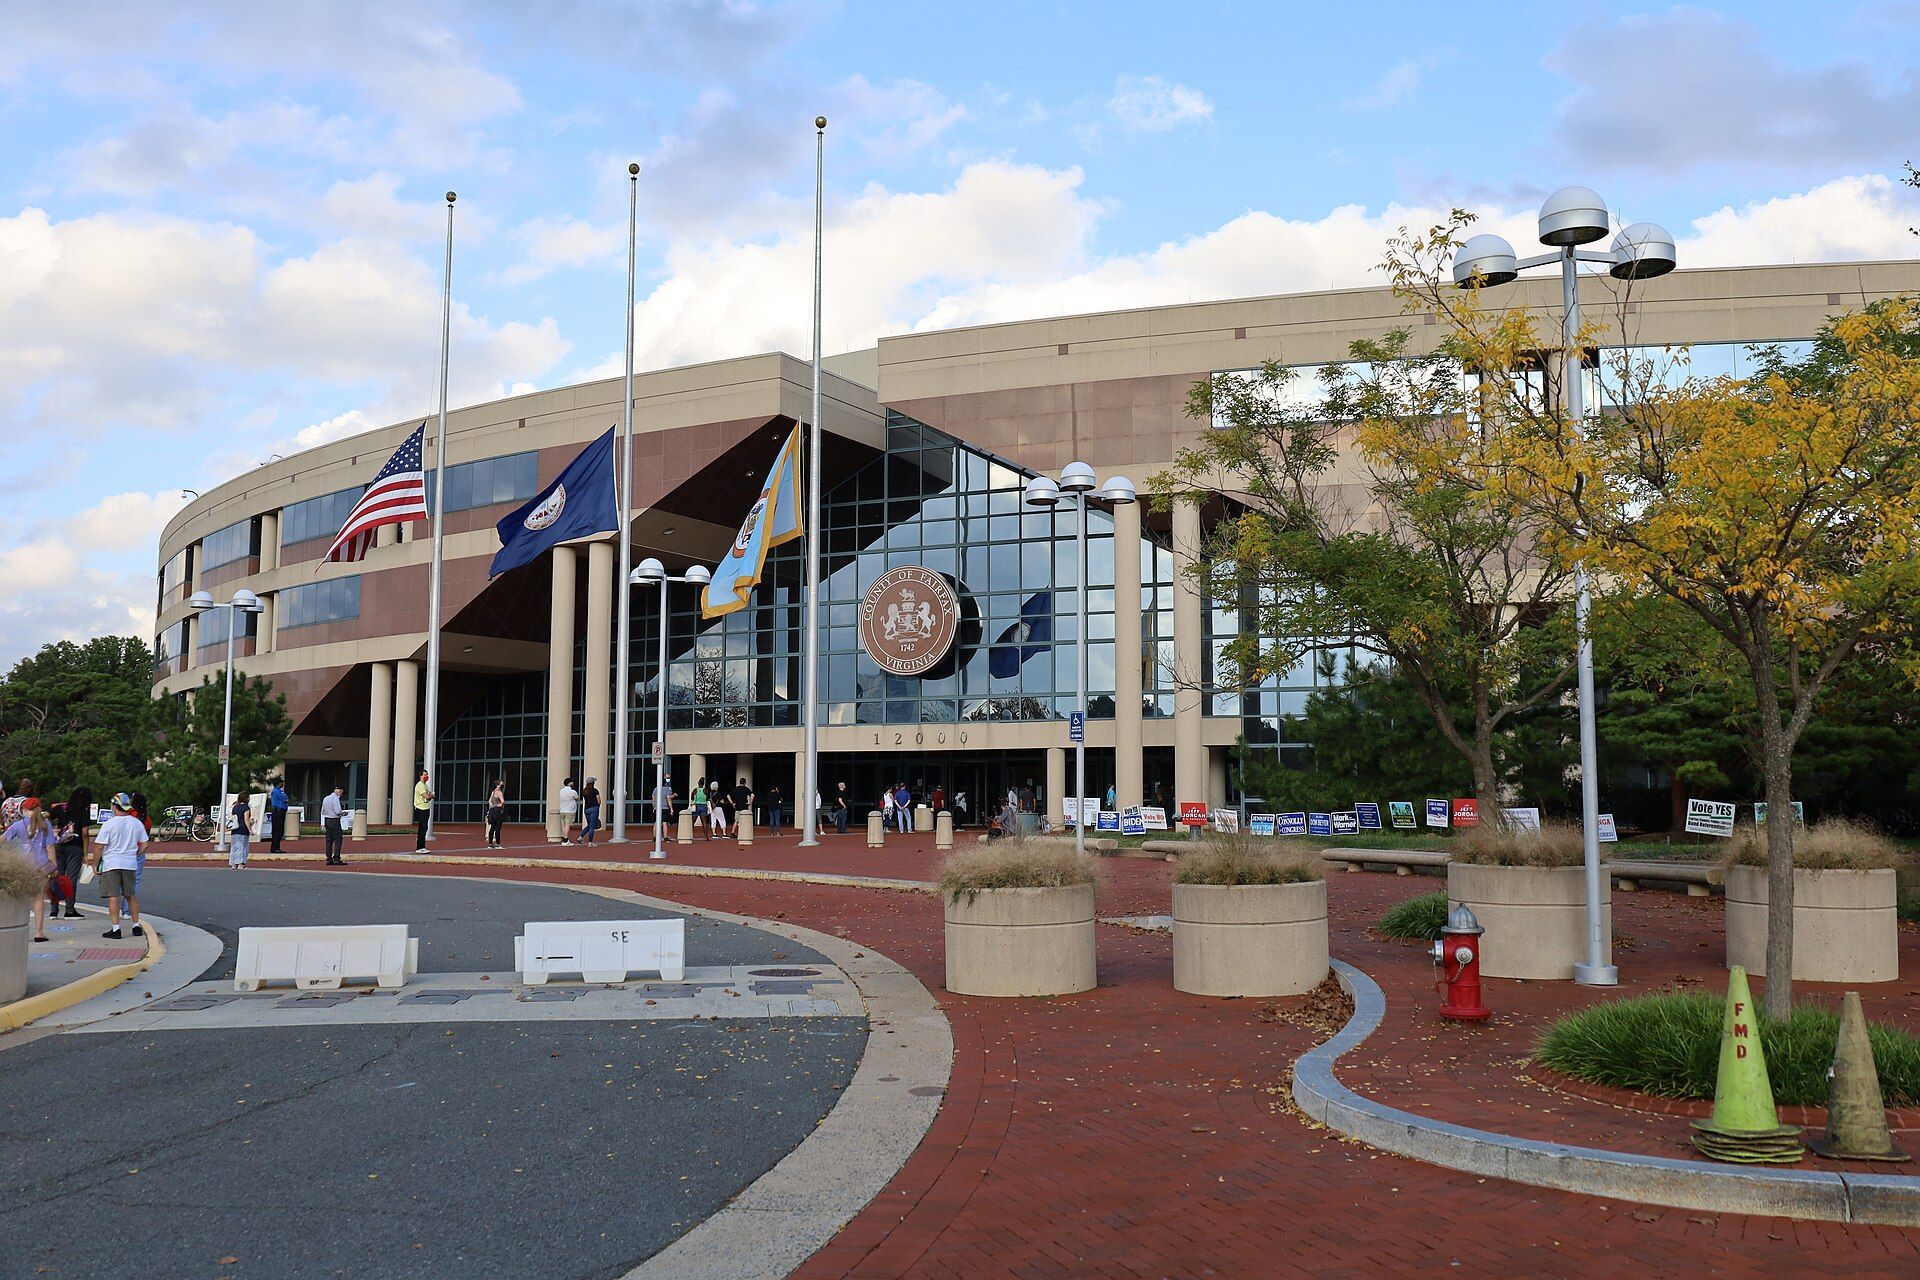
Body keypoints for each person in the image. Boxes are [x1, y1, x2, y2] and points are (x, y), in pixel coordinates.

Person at [89, 793, 148, 938]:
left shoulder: (109, 824)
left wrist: (95, 864)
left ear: (114, 807)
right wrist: (135, 854)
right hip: (130, 863)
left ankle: (116, 929)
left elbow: (98, 847)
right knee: (130, 895)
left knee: (113, 896)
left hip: (112, 863)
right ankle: (136, 925)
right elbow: (145, 844)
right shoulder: (136, 823)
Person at [6, 802, 55, 942]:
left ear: (24, 810)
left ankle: (15, 929)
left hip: (22, 865)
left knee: (19, 897)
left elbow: (3, 839)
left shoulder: (18, 825)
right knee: (39, 899)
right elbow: (50, 847)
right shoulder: (46, 825)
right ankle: (39, 932)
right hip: (41, 864)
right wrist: (54, 865)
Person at [51, 800, 83, 917]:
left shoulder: (59, 809)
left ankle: (54, 909)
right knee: (71, 878)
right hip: (75, 846)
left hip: (60, 845)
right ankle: (69, 909)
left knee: (57, 876)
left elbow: (45, 815)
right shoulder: (81, 810)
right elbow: (84, 832)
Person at [320, 784, 347, 865]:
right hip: (334, 820)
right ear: (340, 790)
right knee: (338, 839)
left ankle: (328, 858)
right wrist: (343, 814)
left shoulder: (326, 798)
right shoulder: (335, 798)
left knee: (329, 840)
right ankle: (336, 858)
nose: (341, 795)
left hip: (327, 820)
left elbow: (323, 811)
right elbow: (337, 811)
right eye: (341, 793)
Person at [229, 789, 253, 868]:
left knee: (234, 846)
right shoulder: (246, 807)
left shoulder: (235, 807)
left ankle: (234, 863)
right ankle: (241, 864)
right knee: (243, 846)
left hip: (235, 829)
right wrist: (250, 829)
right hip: (243, 829)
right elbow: (246, 819)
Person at [267, 777, 290, 854]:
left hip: (277, 812)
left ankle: (274, 847)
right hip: (278, 812)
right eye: (281, 782)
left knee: (276, 830)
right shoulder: (278, 791)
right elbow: (286, 799)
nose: (282, 784)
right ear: (279, 783)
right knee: (278, 830)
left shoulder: (275, 791)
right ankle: (275, 848)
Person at [412, 770, 433, 852]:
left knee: (425, 828)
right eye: (425, 775)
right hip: (421, 808)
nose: (426, 776)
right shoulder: (420, 785)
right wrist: (431, 795)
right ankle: (420, 847)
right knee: (422, 828)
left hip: (426, 807)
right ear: (420, 776)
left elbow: (429, 796)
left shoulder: (425, 785)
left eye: (427, 774)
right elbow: (427, 796)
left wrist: (430, 795)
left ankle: (422, 846)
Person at [558, 777, 580, 844]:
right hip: (570, 810)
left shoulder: (561, 791)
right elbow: (577, 798)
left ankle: (564, 838)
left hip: (562, 809)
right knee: (567, 825)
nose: (573, 783)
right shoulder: (572, 791)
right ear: (569, 783)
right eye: (572, 782)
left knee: (564, 825)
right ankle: (565, 839)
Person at [486, 779, 507, 849]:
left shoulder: (493, 791)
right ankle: (498, 844)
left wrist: (492, 805)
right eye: (501, 785)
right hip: (498, 811)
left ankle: (490, 843)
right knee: (498, 828)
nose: (501, 786)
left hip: (492, 811)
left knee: (492, 828)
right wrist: (500, 805)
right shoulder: (499, 792)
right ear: (498, 785)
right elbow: (503, 801)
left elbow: (489, 801)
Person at [581, 777, 602, 846]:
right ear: (593, 783)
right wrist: (598, 805)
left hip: (586, 809)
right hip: (594, 808)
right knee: (592, 826)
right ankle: (590, 842)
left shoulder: (584, 791)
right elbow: (599, 800)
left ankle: (580, 836)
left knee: (590, 825)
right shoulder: (595, 790)